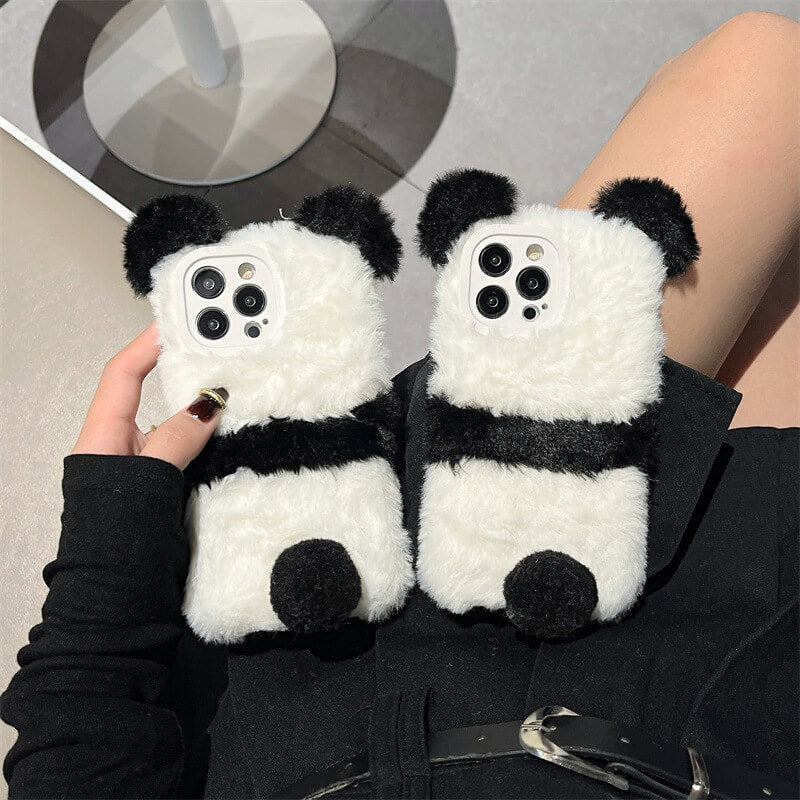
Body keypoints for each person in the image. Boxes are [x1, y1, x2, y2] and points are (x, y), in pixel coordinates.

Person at [2, 12, 798, 799]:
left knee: (762, 75)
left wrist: (113, 533)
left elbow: (75, 755)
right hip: (718, 715)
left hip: (357, 640)